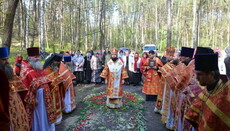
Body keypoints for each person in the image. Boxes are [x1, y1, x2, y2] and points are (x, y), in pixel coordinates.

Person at [185, 53, 230, 131]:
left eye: (200, 74)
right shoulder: (206, 90)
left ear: (211, 74)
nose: (197, 78)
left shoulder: (226, 93)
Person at [20, 47, 56, 131]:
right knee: (39, 116)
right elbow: (23, 88)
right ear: (29, 58)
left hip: (45, 97)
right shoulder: (25, 70)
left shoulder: (38, 67)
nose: (38, 58)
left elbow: (46, 80)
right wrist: (32, 99)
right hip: (37, 99)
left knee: (46, 116)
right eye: (35, 57)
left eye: (38, 56)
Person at [0, 46, 29, 130]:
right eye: (3, 60)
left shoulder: (9, 72)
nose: (7, 62)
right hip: (5, 106)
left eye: (7, 59)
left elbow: (20, 87)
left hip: (17, 104)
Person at [43, 53, 64, 125]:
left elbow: (57, 76)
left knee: (58, 103)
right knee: (53, 105)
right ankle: (54, 119)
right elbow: (49, 80)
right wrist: (58, 80)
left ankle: (58, 118)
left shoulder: (54, 67)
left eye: (59, 62)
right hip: (50, 91)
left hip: (56, 89)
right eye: (56, 62)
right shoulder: (47, 69)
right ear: (52, 61)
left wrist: (61, 79)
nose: (58, 63)